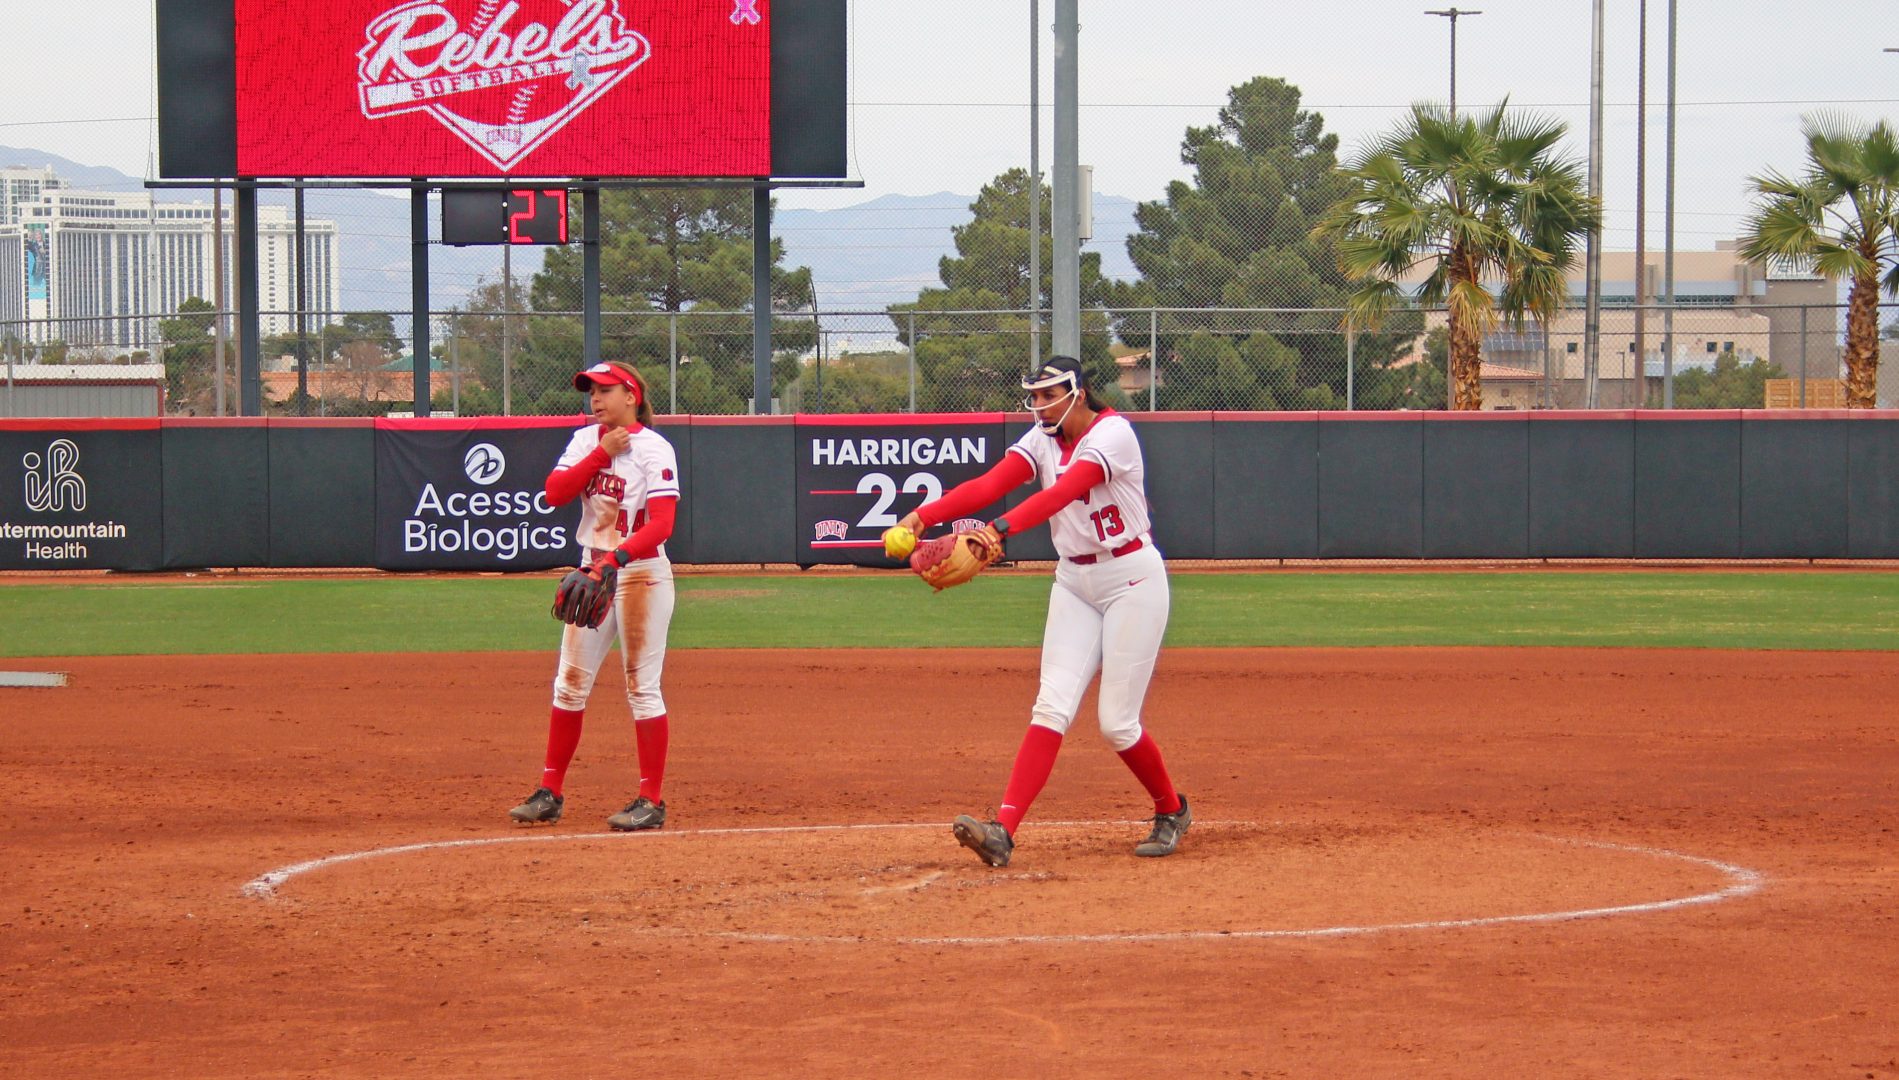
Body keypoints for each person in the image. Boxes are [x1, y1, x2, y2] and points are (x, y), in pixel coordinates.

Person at [897, 356, 1188, 868]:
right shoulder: (1040, 438)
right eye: (1033, 396)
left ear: (1078, 392)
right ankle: (1001, 832)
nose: (1039, 405)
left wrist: (999, 530)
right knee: (1050, 706)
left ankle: (1172, 810)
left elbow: (1062, 493)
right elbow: (991, 484)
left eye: (1048, 394)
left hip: (1133, 578)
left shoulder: (1112, 433)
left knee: (1116, 724)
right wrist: (925, 515)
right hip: (1074, 580)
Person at [509, 360, 680, 831]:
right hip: (594, 568)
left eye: (605, 390)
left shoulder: (654, 448)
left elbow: (662, 524)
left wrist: (616, 561)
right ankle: (550, 792)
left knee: (642, 688)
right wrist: (601, 453)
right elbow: (555, 492)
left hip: (641, 574)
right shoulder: (588, 440)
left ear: (632, 396)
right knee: (569, 683)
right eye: (591, 391)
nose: (595, 399)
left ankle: (651, 800)